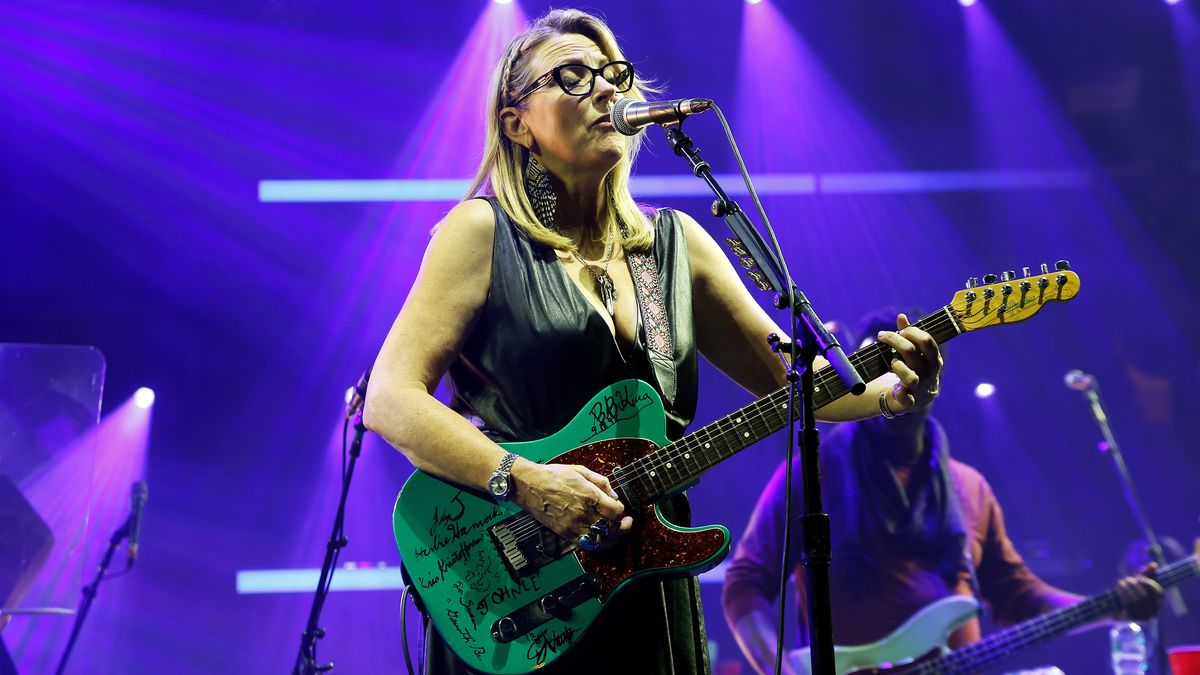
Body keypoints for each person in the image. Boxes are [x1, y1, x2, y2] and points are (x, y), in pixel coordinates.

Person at [363, 10, 944, 674]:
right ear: (516, 122)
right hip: (523, 584)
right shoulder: (481, 233)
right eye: (573, 77)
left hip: (645, 581)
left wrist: (902, 393)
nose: (606, 91)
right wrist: (525, 480)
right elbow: (390, 398)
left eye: (613, 76)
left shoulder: (674, 246)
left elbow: (802, 384)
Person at [721, 309, 1164, 675]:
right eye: (882, 368)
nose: (904, 380)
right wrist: (783, 669)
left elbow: (1015, 595)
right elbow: (745, 584)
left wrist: (1112, 607)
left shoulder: (969, 485)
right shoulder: (807, 474)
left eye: (919, 367)